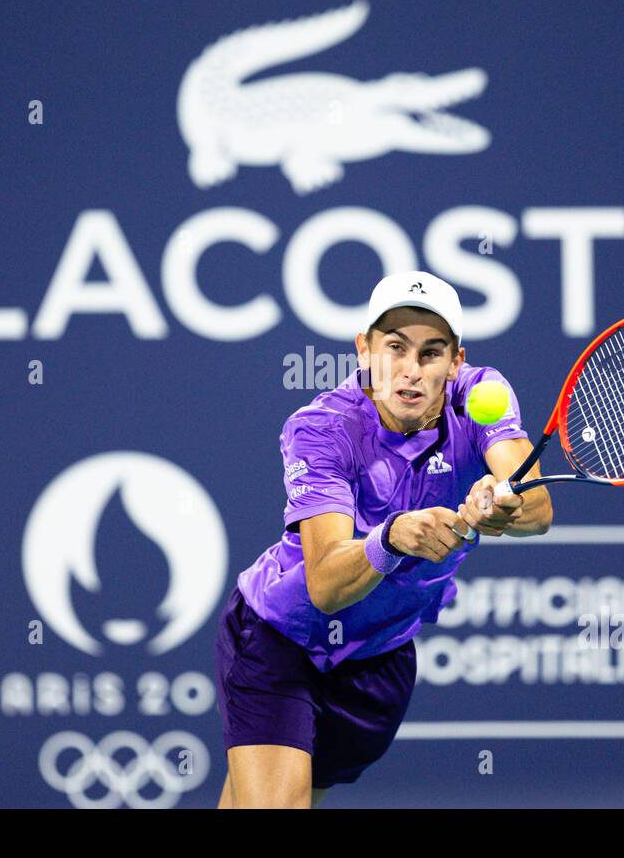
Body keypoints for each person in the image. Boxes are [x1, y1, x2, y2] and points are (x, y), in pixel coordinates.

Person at [214, 270, 553, 808]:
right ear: (364, 349)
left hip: (380, 656)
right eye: (394, 347)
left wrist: (500, 504)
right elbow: (325, 584)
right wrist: (391, 539)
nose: (410, 371)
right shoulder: (323, 427)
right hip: (280, 638)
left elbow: (537, 511)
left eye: (431, 352)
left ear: (456, 362)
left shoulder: (482, 397)